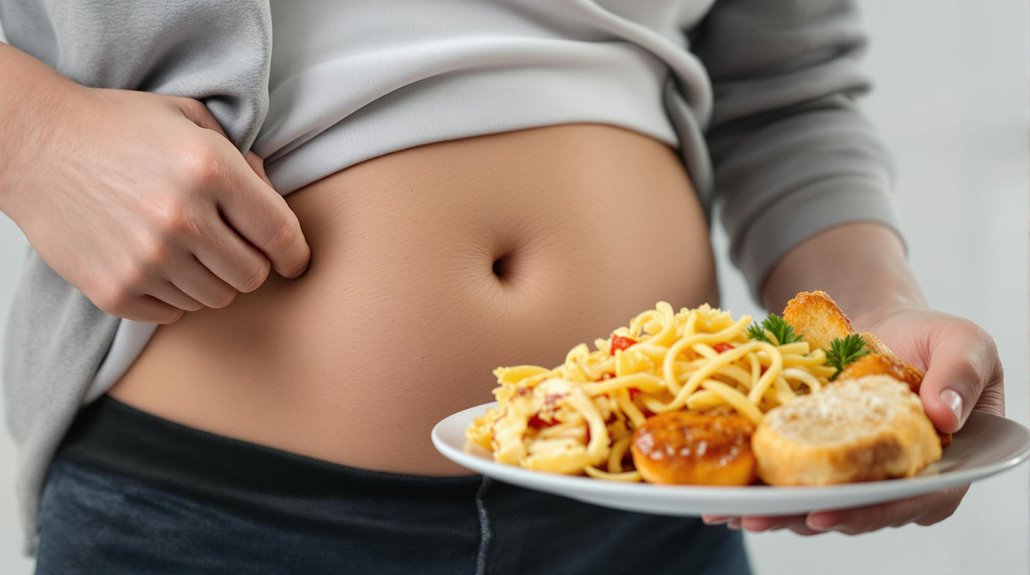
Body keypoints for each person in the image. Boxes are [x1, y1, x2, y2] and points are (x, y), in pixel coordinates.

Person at [0, 0, 1004, 573]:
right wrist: (32, 139)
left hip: (641, 527)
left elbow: (783, 91)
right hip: (210, 522)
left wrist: (864, 323)